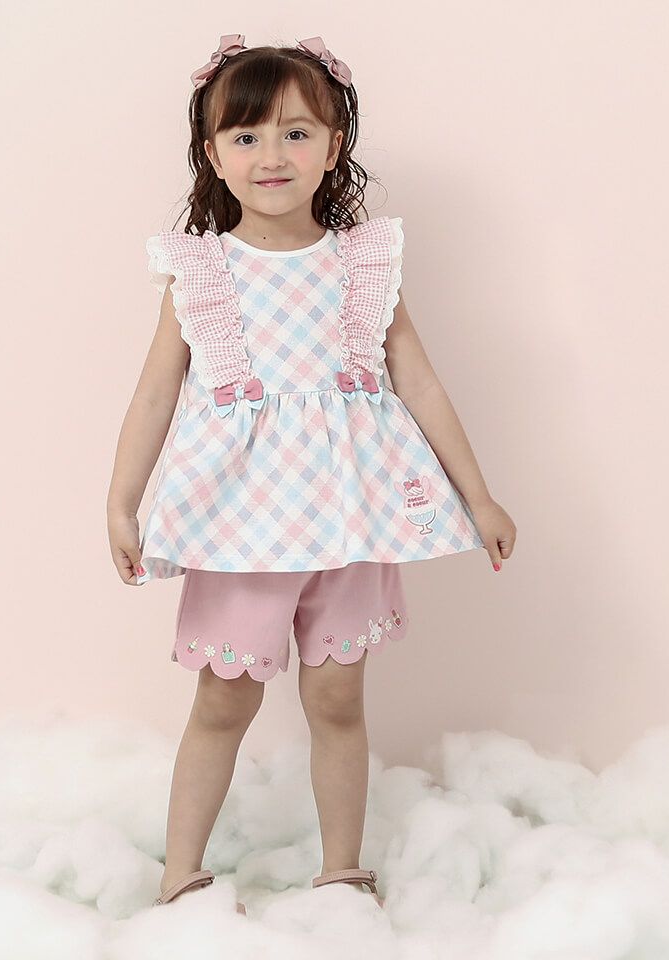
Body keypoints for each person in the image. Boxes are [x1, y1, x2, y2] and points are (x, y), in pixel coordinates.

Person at [106, 34, 517, 916]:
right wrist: (122, 502)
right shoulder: (202, 273)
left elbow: (418, 380)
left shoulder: (362, 266)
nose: (273, 154)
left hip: (350, 515)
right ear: (213, 154)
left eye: (297, 133)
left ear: (333, 147)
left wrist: (478, 495)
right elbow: (154, 395)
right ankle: (181, 874)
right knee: (224, 698)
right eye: (247, 135)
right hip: (239, 523)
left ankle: (341, 869)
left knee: (336, 695)